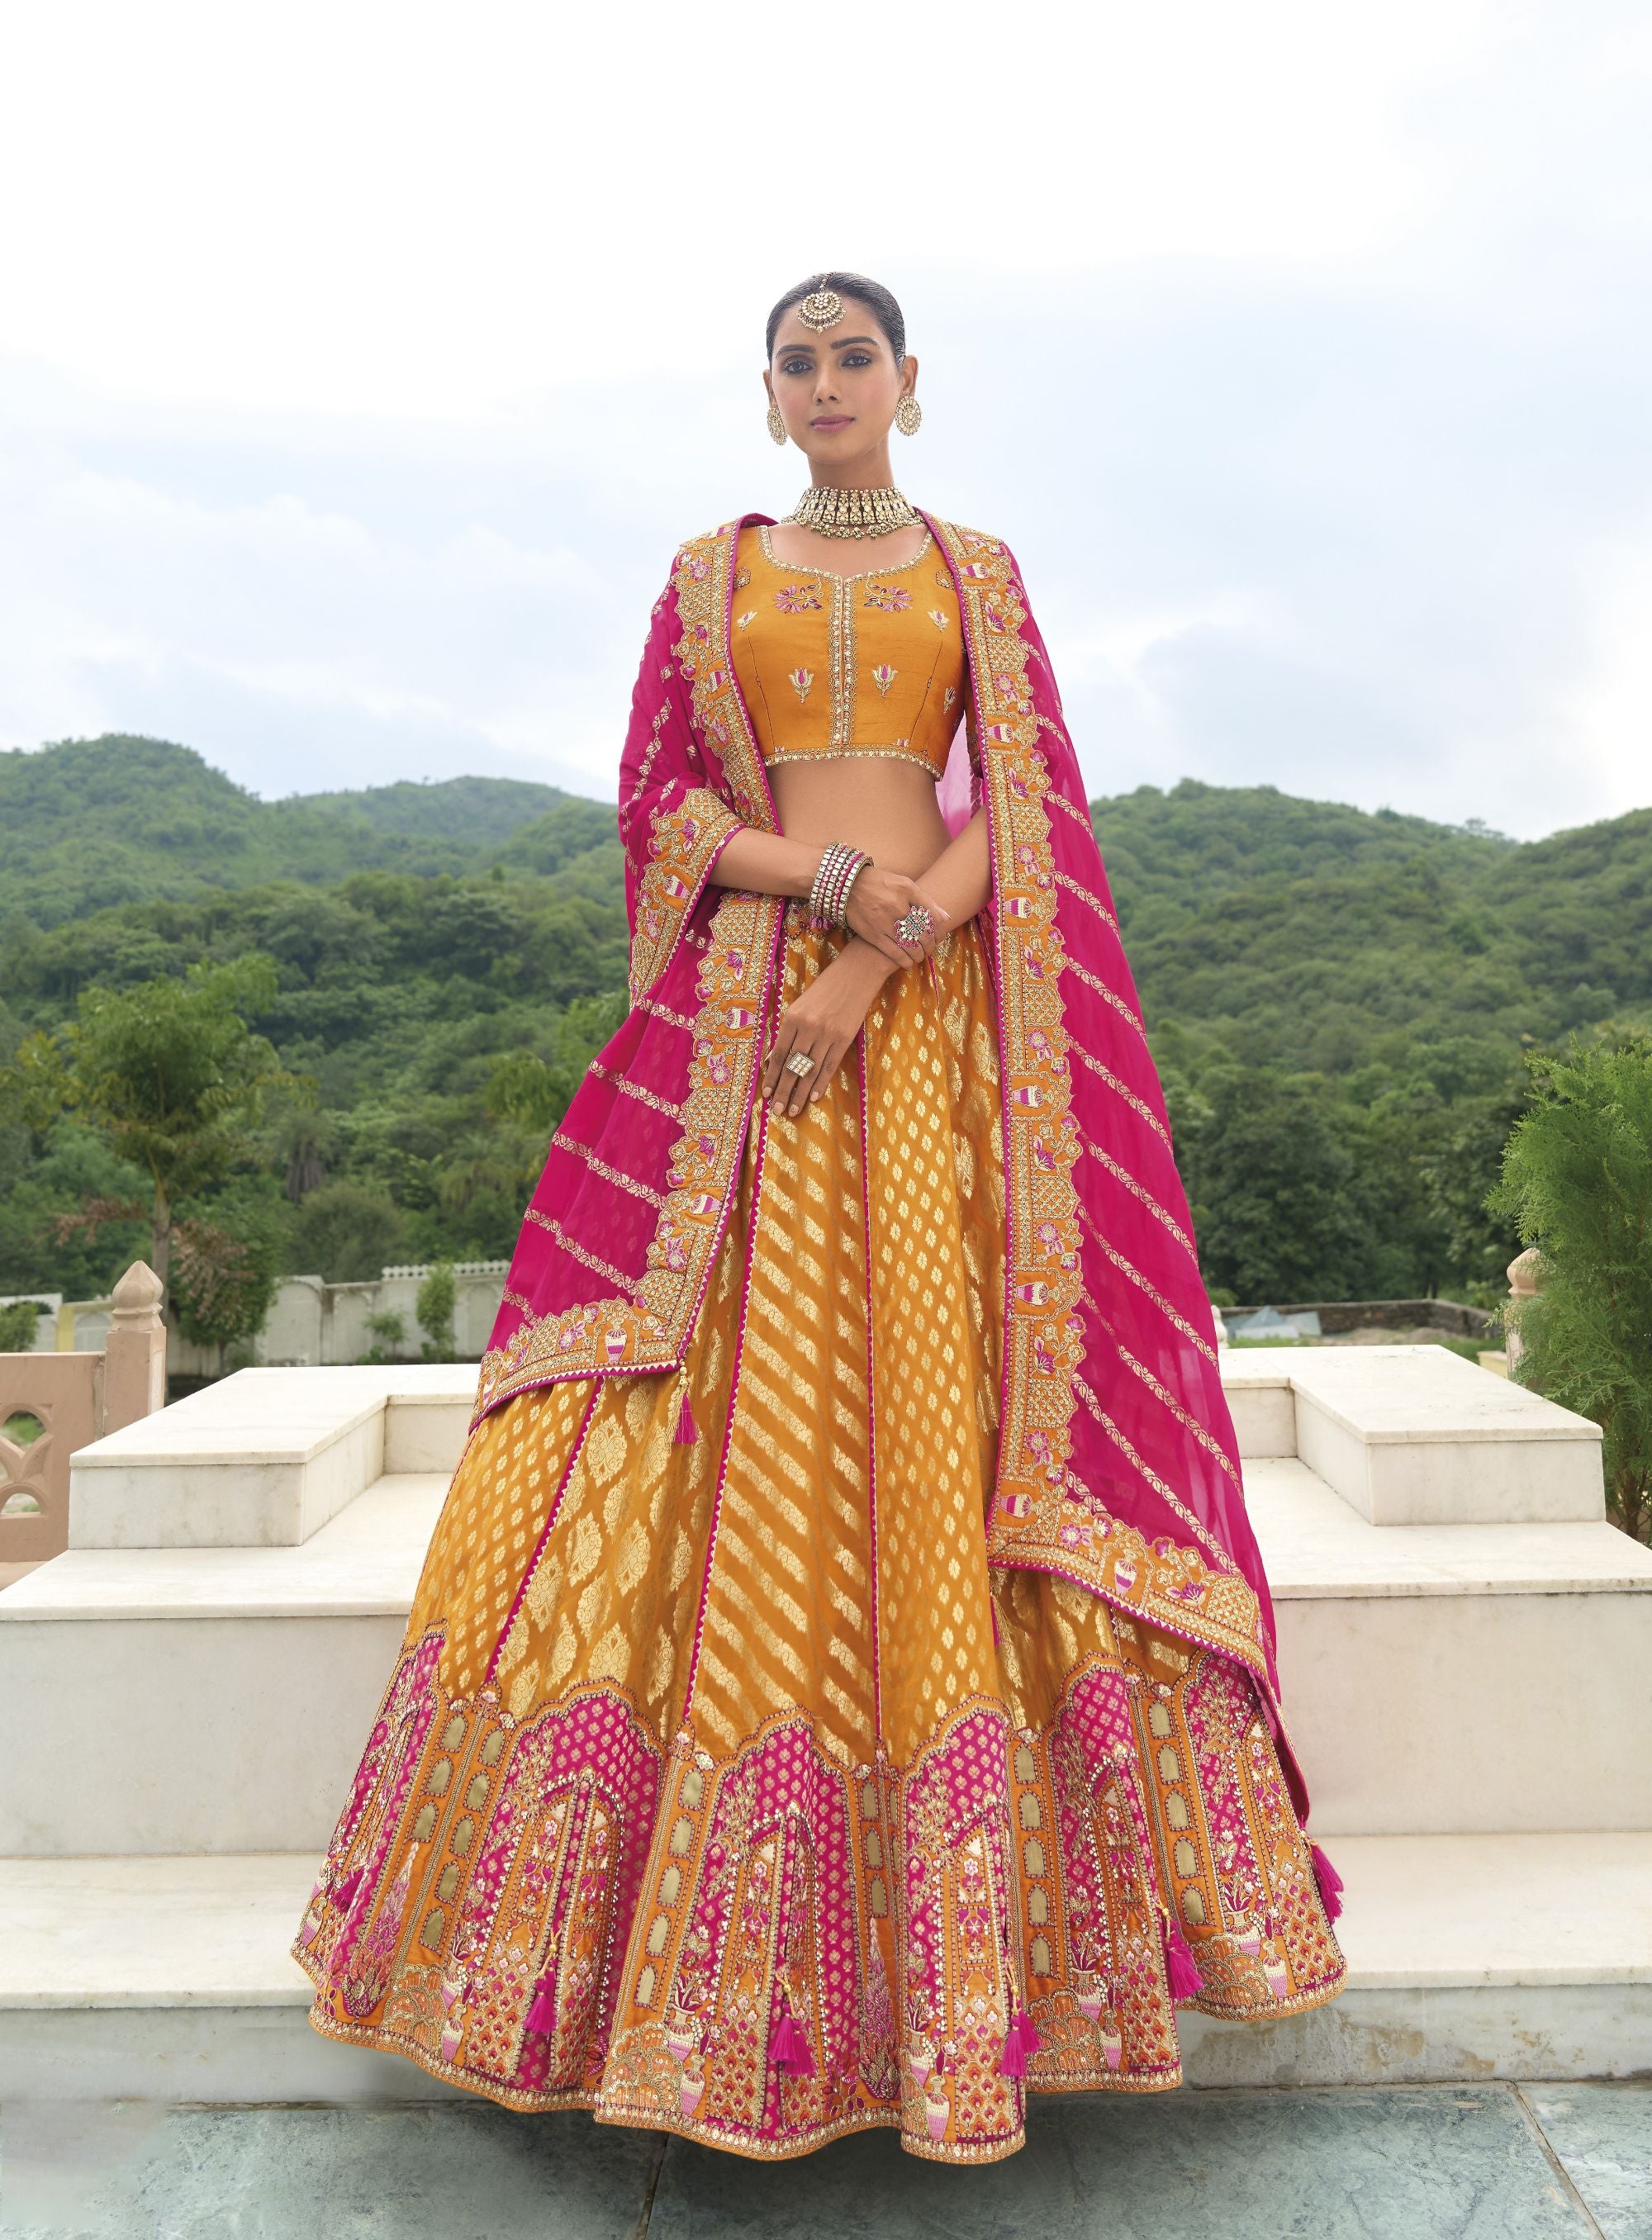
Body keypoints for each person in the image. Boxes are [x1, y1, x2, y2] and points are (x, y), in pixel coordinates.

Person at [292, 270, 1347, 2163]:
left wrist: (888, 945)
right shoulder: (711, 576)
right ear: (767, 396)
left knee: (951, 1400)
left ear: (908, 383)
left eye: (855, 353)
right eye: (798, 360)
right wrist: (834, 892)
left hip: (938, 1039)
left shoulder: (979, 573)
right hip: (749, 1033)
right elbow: (664, 811)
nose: (827, 379)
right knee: (714, 1406)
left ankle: (998, 1981)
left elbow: (1026, 800)